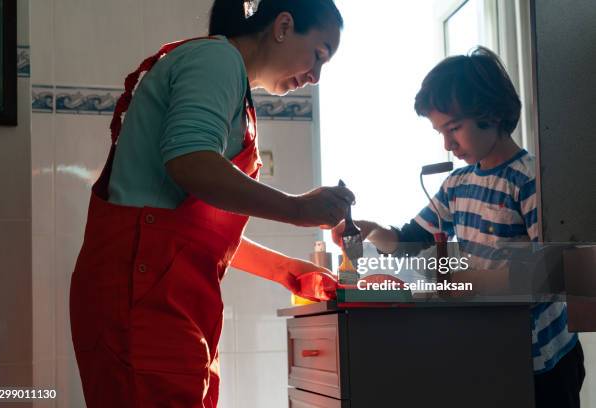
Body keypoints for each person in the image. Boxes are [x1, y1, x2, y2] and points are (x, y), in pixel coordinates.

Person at [69, 0, 352, 406]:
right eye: (319, 54)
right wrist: (296, 209)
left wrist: (287, 271)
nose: (315, 76)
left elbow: (189, 227)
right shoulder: (217, 58)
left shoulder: (233, 85)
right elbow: (190, 161)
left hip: (160, 287)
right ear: (284, 26)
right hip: (142, 292)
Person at [332, 46, 585, 407]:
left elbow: (554, 274)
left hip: (548, 361)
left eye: (454, 128)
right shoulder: (457, 184)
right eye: (440, 132)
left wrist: (466, 281)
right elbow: (409, 241)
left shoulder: (531, 180)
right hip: (497, 350)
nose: (447, 144)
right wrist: (370, 228)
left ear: (491, 113)